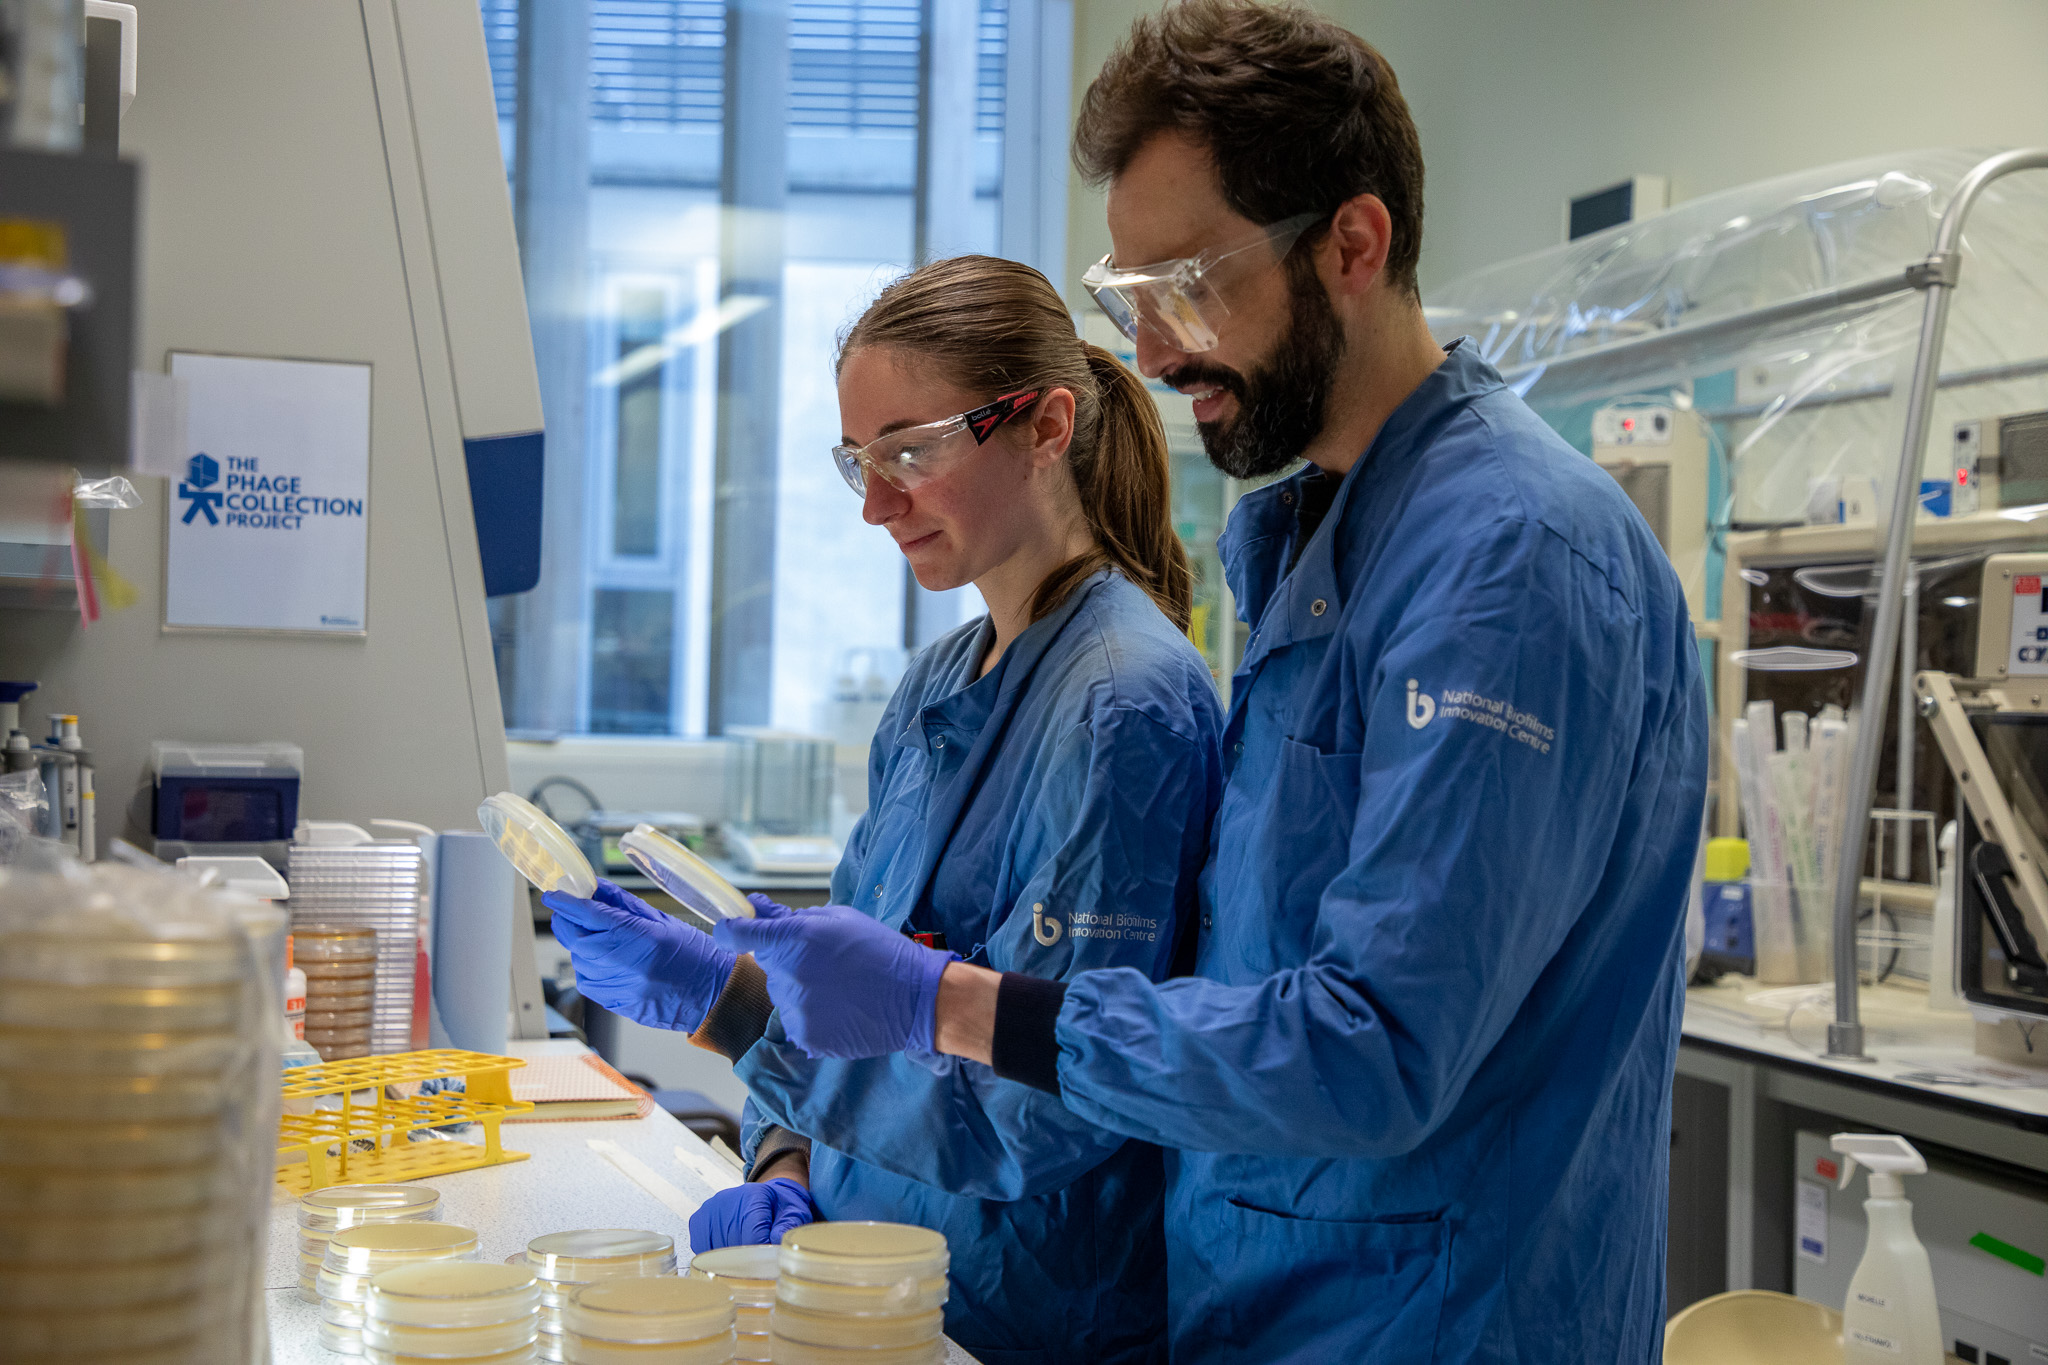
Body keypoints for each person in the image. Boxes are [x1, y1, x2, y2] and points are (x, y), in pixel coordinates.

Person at [714, 5, 1711, 1363]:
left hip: (1430, 1322)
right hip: (1260, 1304)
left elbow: (1377, 1045)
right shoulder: (1323, 542)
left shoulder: (1510, 559)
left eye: (1187, 284)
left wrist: (948, 1004)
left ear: (1352, 246)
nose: (1154, 348)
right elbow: (1255, 970)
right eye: (1131, 299)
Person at [544, 254, 1225, 1365]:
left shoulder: (1120, 704)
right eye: (858, 460)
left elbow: (1051, 1105)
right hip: (862, 1290)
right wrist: (782, 1164)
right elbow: (849, 1000)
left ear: (1045, 425)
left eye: (909, 451)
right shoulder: (939, 682)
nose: (873, 503)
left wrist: (732, 1013)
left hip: (1014, 1316)